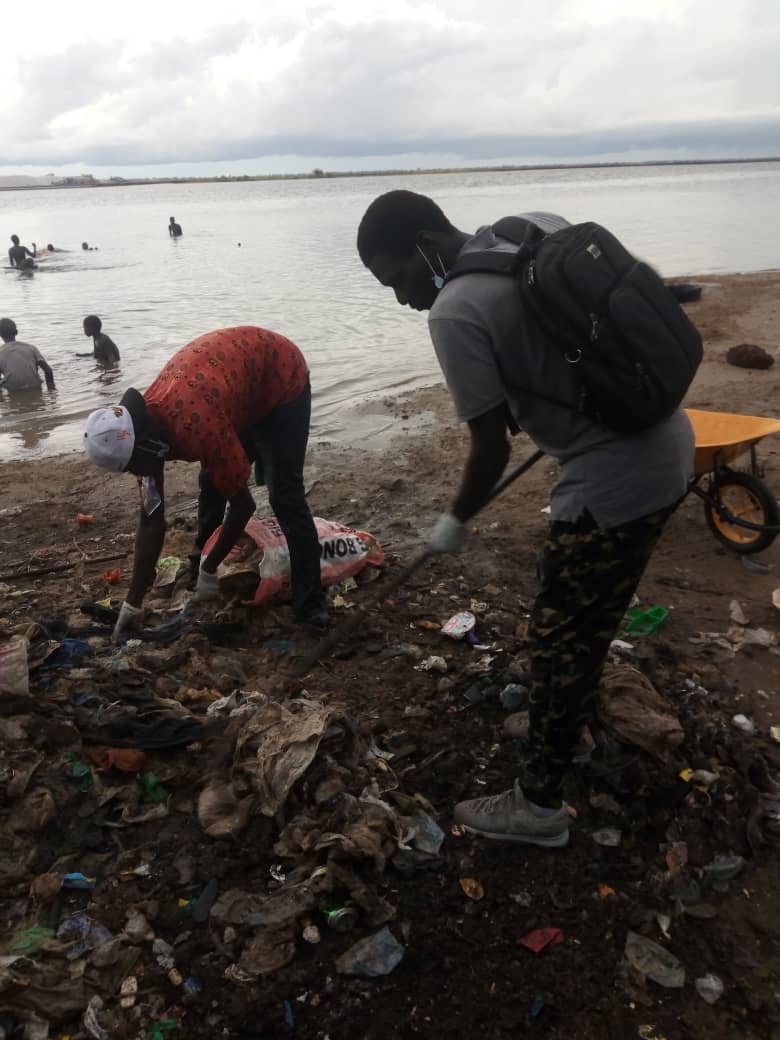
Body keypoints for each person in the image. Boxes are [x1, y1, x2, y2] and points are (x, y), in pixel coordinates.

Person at [357, 190, 694, 848]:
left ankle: (538, 805)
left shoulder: (454, 310)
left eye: (396, 278)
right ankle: (562, 719)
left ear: (426, 244)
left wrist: (453, 520)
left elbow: (489, 447)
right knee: (587, 619)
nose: (400, 298)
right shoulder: (528, 226)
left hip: (614, 482)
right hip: (667, 442)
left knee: (558, 641)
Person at [82, 326, 327, 641]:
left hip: (280, 378)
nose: (138, 474)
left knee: (285, 495)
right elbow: (151, 521)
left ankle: (310, 604)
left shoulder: (194, 425)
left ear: (141, 443)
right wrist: (133, 603)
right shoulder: (141, 433)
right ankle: (198, 564)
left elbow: (243, 506)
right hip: (238, 391)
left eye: (135, 467)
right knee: (212, 482)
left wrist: (213, 568)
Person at [0, 318, 55, 390]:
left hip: (14, 389)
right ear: (16, 332)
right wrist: (51, 391)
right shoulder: (31, 348)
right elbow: (48, 370)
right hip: (35, 385)